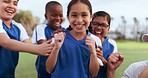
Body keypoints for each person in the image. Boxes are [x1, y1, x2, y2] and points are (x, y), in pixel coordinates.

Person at [46, 0, 102, 78]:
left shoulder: (95, 40)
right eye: (74, 15)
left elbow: (94, 73)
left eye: (84, 15)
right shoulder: (58, 37)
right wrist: (56, 48)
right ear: (68, 17)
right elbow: (49, 69)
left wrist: (93, 53)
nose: (79, 20)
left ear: (91, 17)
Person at [0, 0, 51, 77]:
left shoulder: (18, 27)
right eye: (6, 1)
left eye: (15, 3)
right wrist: (39, 49)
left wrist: (51, 43)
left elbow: (30, 46)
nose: (11, 6)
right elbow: (5, 42)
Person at [31, 1, 64, 78]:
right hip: (44, 70)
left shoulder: (65, 31)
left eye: (61, 15)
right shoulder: (41, 28)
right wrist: (53, 38)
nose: (58, 18)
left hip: (60, 69)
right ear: (46, 16)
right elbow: (43, 46)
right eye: (54, 15)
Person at [89, 11, 124, 78]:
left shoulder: (112, 44)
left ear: (108, 28)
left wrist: (102, 59)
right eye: (95, 24)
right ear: (90, 24)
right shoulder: (84, 41)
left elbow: (111, 68)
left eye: (103, 25)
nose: (99, 27)